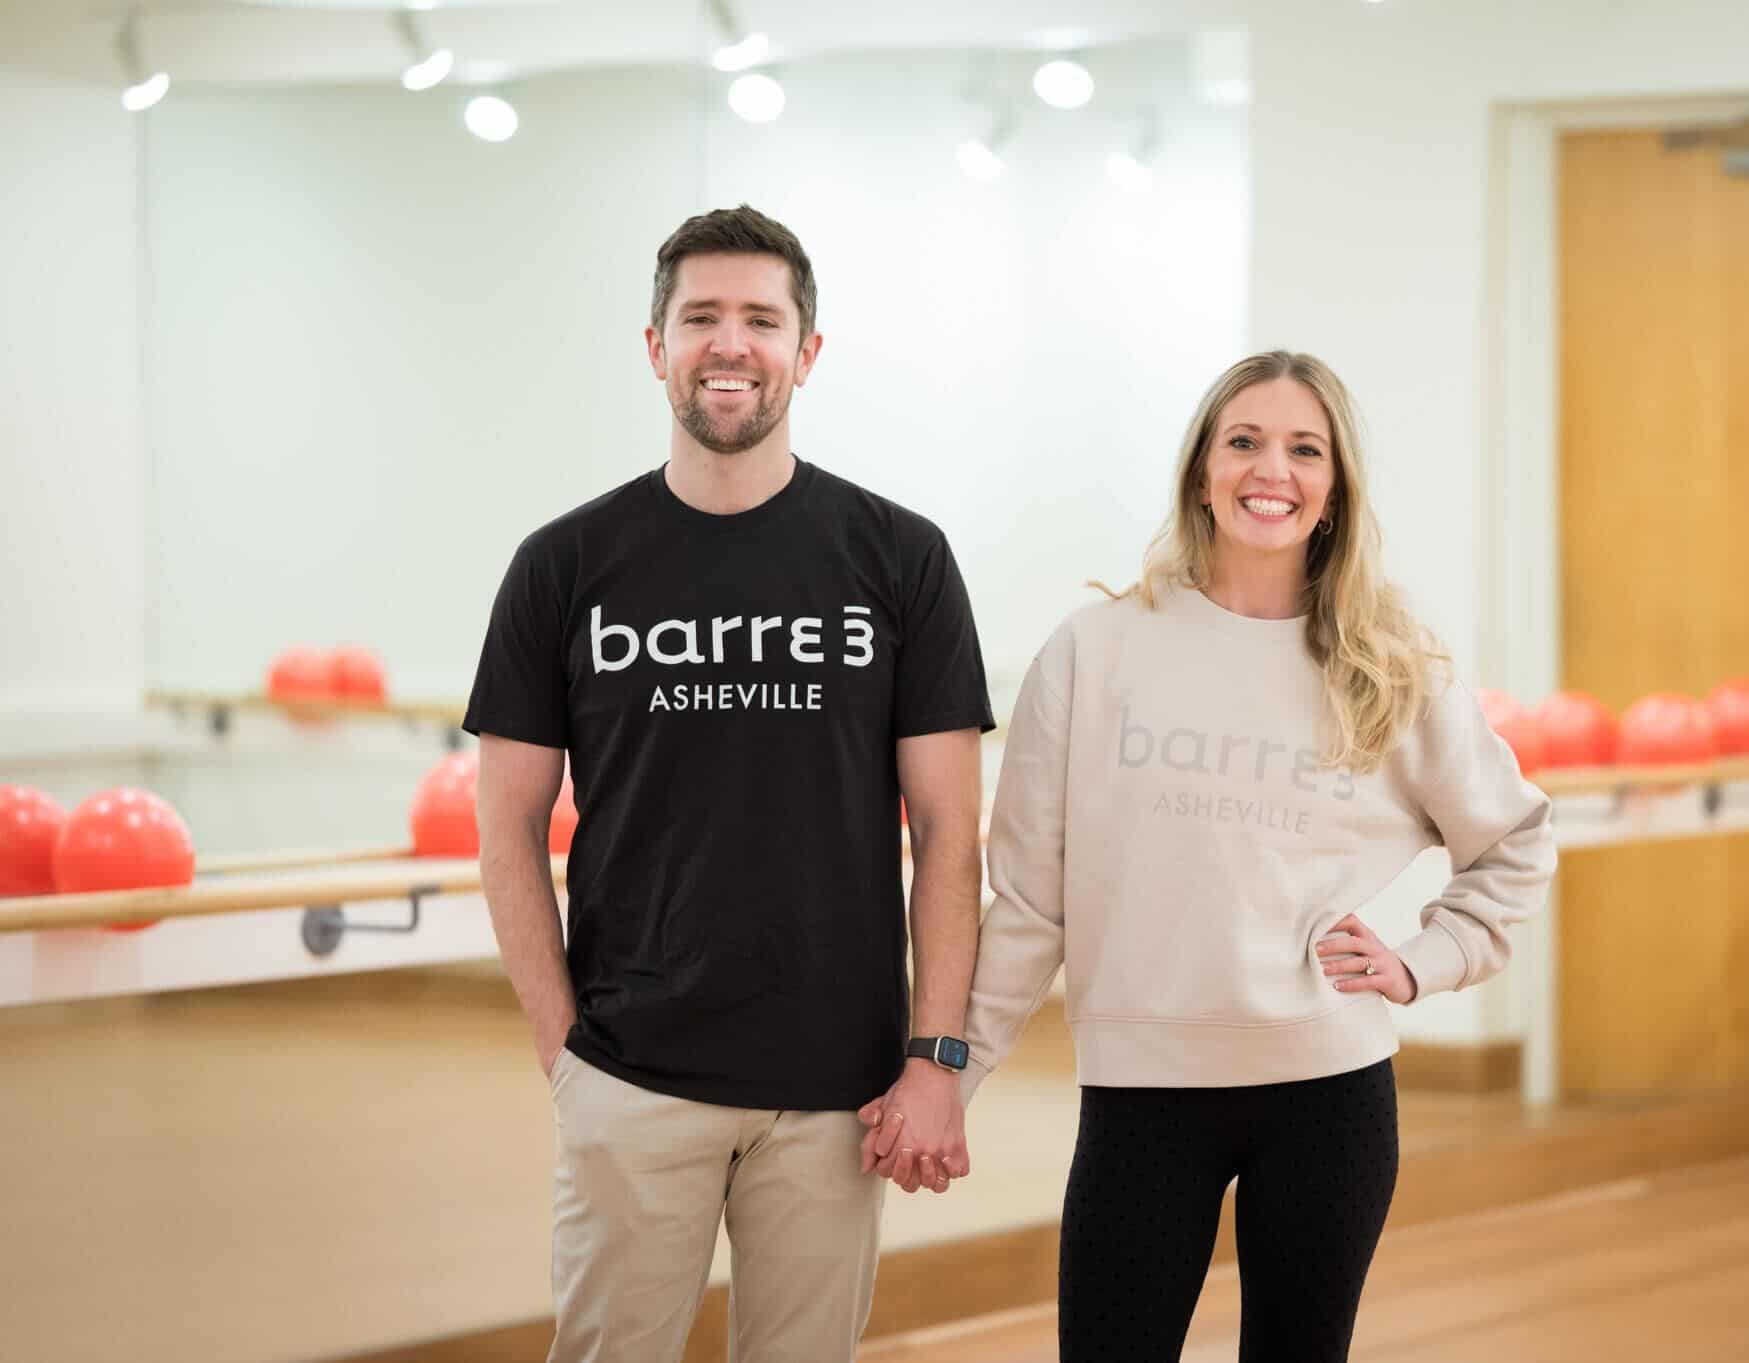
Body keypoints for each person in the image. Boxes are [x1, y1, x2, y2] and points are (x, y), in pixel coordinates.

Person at [930, 350, 1557, 1362]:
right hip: (1140, 1099)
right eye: (1243, 442)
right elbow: (1029, 903)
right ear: (1200, 471)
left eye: (1304, 449)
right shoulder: (1095, 649)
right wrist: (947, 1076)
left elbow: (1515, 841)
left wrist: (1422, 960)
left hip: (1328, 1096)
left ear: (1333, 488)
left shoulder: (1389, 666)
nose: (1272, 469)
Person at [464, 204, 994, 1363]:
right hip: (630, 1074)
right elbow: (504, 829)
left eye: (761, 318)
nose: (729, 343)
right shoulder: (563, 565)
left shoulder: (900, 557)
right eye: (700, 316)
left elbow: (951, 833)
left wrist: (933, 1056)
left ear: (805, 352)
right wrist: (566, 1054)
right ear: (654, 345)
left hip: (834, 1089)